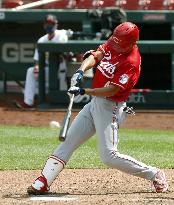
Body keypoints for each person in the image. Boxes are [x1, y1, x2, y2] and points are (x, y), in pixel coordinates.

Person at [27, 22, 168, 195]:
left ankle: (154, 174)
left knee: (109, 156)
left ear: (131, 43)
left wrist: (83, 91)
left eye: (119, 44)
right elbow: (96, 55)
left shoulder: (131, 62)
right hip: (95, 103)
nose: (114, 45)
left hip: (112, 108)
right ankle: (43, 181)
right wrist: (80, 71)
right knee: (68, 142)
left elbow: (112, 90)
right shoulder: (116, 41)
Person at [14, 14, 72, 109]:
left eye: (52, 24)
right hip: (48, 69)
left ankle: (64, 103)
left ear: (56, 24)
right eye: (47, 24)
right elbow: (37, 59)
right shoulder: (41, 39)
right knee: (30, 71)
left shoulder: (61, 35)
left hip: (62, 69)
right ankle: (28, 103)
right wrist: (37, 66)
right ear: (44, 25)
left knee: (63, 96)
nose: (49, 26)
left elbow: (62, 51)